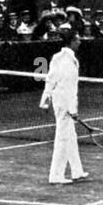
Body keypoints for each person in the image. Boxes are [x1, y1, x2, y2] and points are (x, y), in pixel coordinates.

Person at [40, 31, 89, 185]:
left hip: (61, 101)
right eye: (78, 39)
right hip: (64, 103)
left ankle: (77, 171)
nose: (80, 42)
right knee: (63, 139)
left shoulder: (59, 57)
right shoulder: (64, 60)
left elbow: (50, 79)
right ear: (72, 42)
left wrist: (45, 98)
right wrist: (72, 109)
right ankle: (55, 175)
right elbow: (66, 86)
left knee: (71, 137)